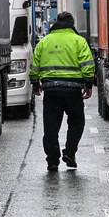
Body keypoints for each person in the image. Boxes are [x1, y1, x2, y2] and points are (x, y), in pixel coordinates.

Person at [29, 12, 95, 171]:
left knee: (50, 127)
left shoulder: (44, 42)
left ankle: (52, 160)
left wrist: (35, 83)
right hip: (73, 91)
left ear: (56, 23)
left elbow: (34, 65)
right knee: (77, 121)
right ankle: (70, 152)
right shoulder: (79, 41)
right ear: (72, 24)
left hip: (51, 91)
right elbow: (87, 65)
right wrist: (88, 84)